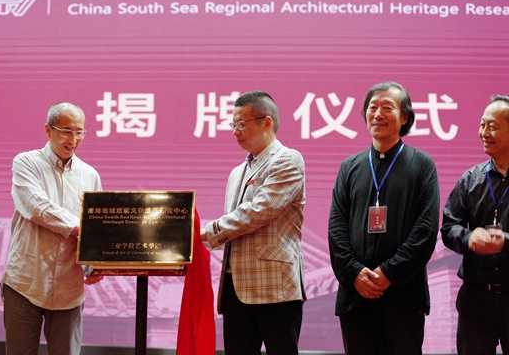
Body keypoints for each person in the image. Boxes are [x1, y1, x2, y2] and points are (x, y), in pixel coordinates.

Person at [328, 81, 439, 355]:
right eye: (372, 107)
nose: (377, 114)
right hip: (356, 295)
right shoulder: (350, 166)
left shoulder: (422, 165)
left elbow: (425, 229)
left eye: (387, 108)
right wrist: (354, 272)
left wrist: (388, 272)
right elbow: (336, 227)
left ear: (405, 117)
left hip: (402, 295)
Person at [200, 91, 306, 355]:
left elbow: (257, 212)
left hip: (275, 288)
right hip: (236, 287)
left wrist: (204, 233)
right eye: (233, 124)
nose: (235, 131)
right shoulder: (237, 172)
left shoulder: (287, 159)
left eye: (241, 124)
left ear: (266, 122)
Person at [1, 102, 103, 355]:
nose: (73, 140)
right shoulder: (26, 163)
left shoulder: (90, 175)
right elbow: (37, 208)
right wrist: (83, 229)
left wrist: (94, 264)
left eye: (79, 132)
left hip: (69, 285)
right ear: (48, 130)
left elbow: (96, 224)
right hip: (26, 281)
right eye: (66, 131)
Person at [441, 95, 509, 354]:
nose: (483, 133)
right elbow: (449, 227)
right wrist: (469, 238)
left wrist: (505, 241)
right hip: (476, 299)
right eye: (482, 125)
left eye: (492, 126)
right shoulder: (470, 179)